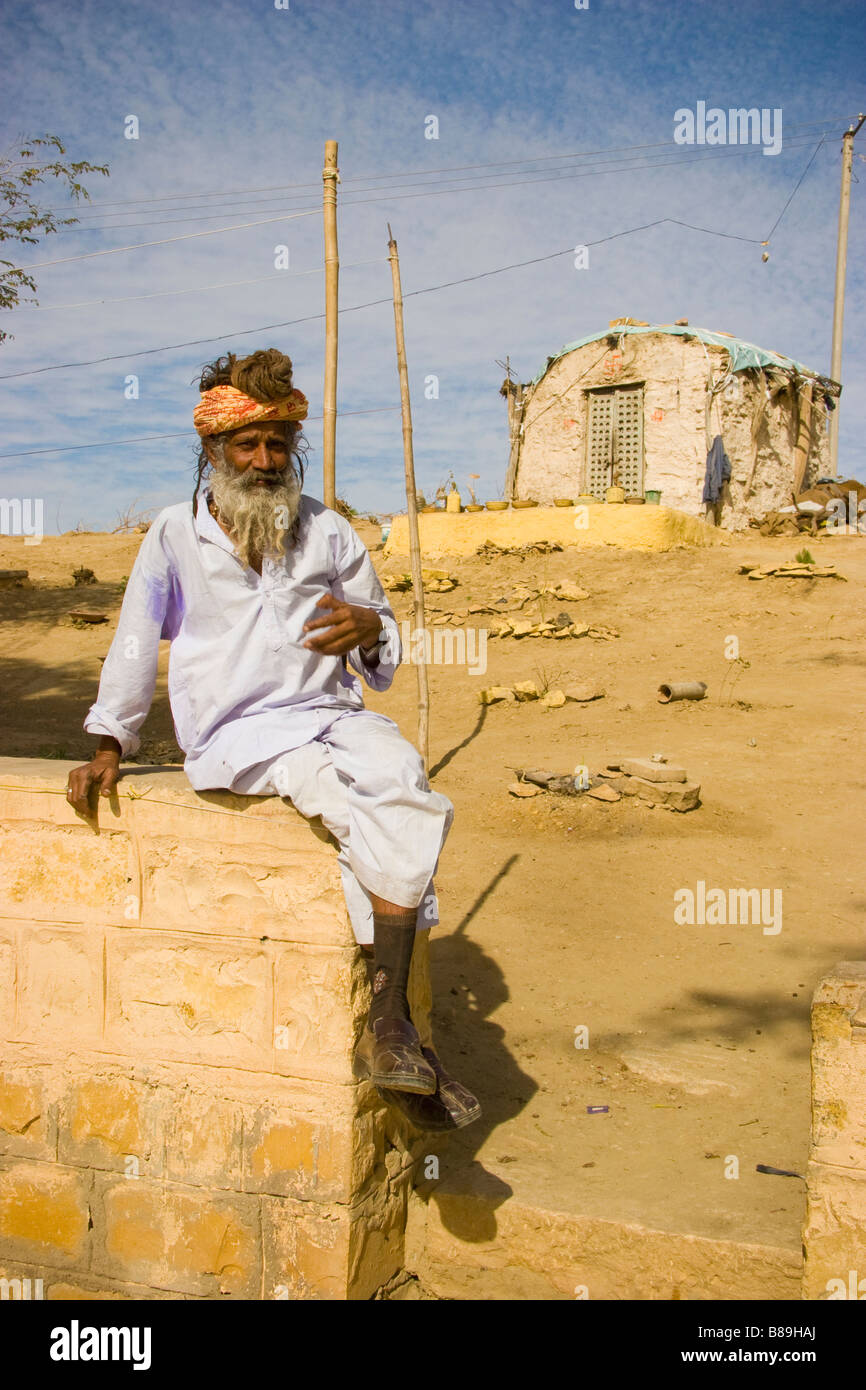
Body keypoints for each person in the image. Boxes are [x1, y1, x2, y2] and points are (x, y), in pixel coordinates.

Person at [66, 347, 479, 1132]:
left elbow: (381, 637)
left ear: (295, 450)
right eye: (246, 445)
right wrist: (110, 742)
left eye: (277, 445)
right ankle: (395, 1029)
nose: (263, 461)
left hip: (335, 714)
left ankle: (393, 1037)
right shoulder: (173, 536)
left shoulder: (327, 531)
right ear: (213, 452)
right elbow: (133, 639)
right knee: (350, 807)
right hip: (242, 733)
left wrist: (369, 628)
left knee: (408, 789)